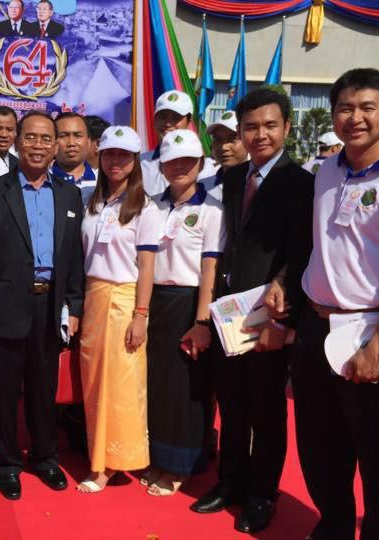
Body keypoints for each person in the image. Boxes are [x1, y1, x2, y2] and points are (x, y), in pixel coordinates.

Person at [293, 68, 379, 540]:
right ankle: (333, 527)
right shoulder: (326, 169)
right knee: (318, 447)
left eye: (367, 107)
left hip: (369, 333)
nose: (355, 118)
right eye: (345, 108)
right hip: (315, 326)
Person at [190, 88, 313, 535]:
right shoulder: (233, 176)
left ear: (285, 127)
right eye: (251, 126)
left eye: (269, 125)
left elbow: (303, 252)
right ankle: (230, 483)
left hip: (268, 314)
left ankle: (263, 494)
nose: (260, 134)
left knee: (266, 411)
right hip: (228, 312)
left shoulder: (301, 182)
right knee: (233, 405)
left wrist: (283, 318)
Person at [0, 111, 85, 500]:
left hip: (50, 305)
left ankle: (45, 457)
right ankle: (7, 463)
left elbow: (73, 259)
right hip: (4, 307)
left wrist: (74, 305)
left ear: (55, 147)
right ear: (17, 142)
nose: (38, 146)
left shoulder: (69, 194)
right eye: (30, 138)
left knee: (44, 387)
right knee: (3, 389)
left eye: (45, 139)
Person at [76, 125, 163, 493]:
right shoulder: (93, 201)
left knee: (122, 383)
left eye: (124, 155)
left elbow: (146, 267)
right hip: (93, 297)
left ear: (135, 160)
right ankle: (97, 451)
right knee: (94, 382)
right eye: (110, 153)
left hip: (124, 299)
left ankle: (112, 462)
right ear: (99, 153)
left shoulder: (145, 207)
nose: (115, 161)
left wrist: (140, 315)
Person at [143, 129, 224, 497]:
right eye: (171, 162)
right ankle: (158, 456)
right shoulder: (151, 206)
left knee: (188, 389)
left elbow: (209, 269)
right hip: (155, 302)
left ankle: (183, 465)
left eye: (187, 162)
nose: (179, 168)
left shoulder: (212, 209)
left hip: (190, 302)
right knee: (158, 386)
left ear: (201, 164)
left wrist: (202, 320)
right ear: (161, 166)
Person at [142, 90, 193, 197]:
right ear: (154, 120)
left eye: (175, 117)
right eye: (162, 116)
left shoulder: (203, 167)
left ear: (189, 121)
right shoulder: (138, 164)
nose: (168, 123)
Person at [51, 112, 97, 206]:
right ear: (53, 141)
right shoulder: (42, 181)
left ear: (89, 142)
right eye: (63, 136)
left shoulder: (102, 182)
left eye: (77, 135)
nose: (71, 143)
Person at [200, 110, 247, 201]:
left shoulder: (258, 185)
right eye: (218, 139)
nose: (224, 147)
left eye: (232, 139)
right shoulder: (201, 186)